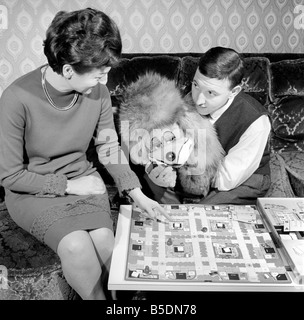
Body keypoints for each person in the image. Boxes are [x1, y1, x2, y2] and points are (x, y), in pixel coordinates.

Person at [0, 8, 169, 300]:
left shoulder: (99, 94)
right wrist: (68, 186)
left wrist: (137, 193)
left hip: (85, 182)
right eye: (99, 74)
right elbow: (10, 175)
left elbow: (107, 147)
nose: (105, 82)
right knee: (76, 245)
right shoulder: (16, 98)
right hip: (33, 192)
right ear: (68, 70)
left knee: (106, 242)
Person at [144, 46, 271, 205]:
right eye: (196, 85)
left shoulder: (257, 122)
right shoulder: (193, 98)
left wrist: (181, 160)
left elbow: (225, 179)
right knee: (149, 177)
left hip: (238, 179)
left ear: (234, 91)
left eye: (211, 93)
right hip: (195, 170)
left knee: (202, 211)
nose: (198, 100)